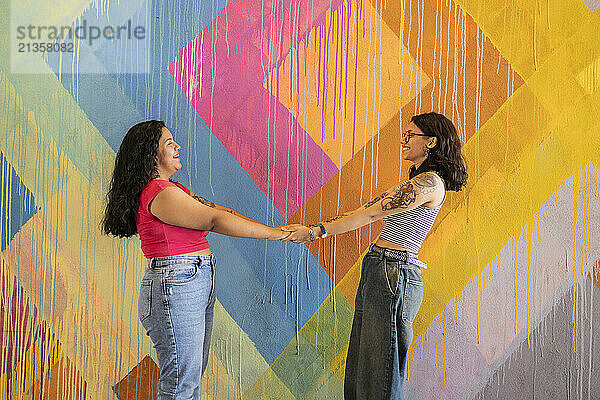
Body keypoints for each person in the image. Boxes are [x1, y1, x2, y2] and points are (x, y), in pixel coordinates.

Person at [282, 112, 468, 399]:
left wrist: (315, 231)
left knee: (380, 372)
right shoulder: (422, 180)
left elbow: (370, 212)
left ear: (431, 142)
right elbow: (372, 210)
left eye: (410, 135)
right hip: (382, 269)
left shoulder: (429, 183)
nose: (403, 140)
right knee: (364, 367)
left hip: (392, 273)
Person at [101, 120, 289, 399]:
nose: (177, 147)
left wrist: (279, 231)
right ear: (151, 154)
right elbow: (214, 219)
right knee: (181, 384)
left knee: (188, 379)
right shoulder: (159, 193)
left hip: (190, 280)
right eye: (169, 143)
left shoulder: (174, 190)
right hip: (176, 284)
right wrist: (275, 234)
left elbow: (220, 210)